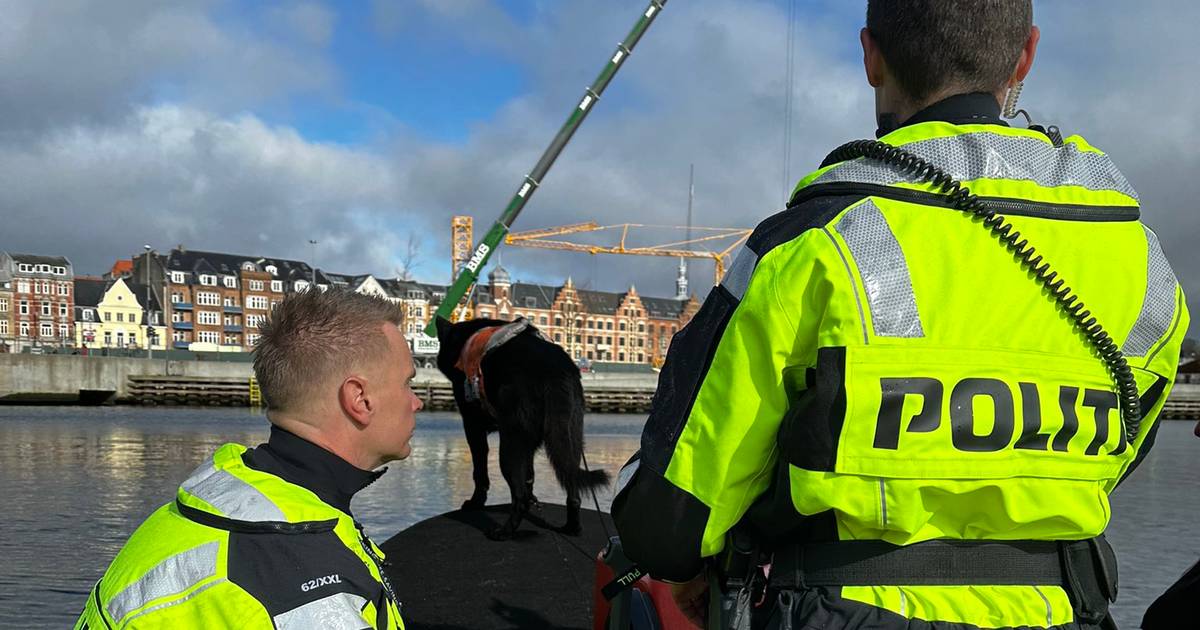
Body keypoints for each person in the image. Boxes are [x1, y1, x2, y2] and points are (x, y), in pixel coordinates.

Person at [612, 1, 1189, 628]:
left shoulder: (812, 244)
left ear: (870, 55)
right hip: (1063, 608)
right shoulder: (1142, 261)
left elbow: (673, 517)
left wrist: (692, 563)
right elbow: (1124, 449)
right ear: (1026, 54)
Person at [74, 288, 421, 629]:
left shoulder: (212, 505)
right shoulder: (307, 586)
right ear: (359, 399)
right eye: (407, 383)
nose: (416, 402)